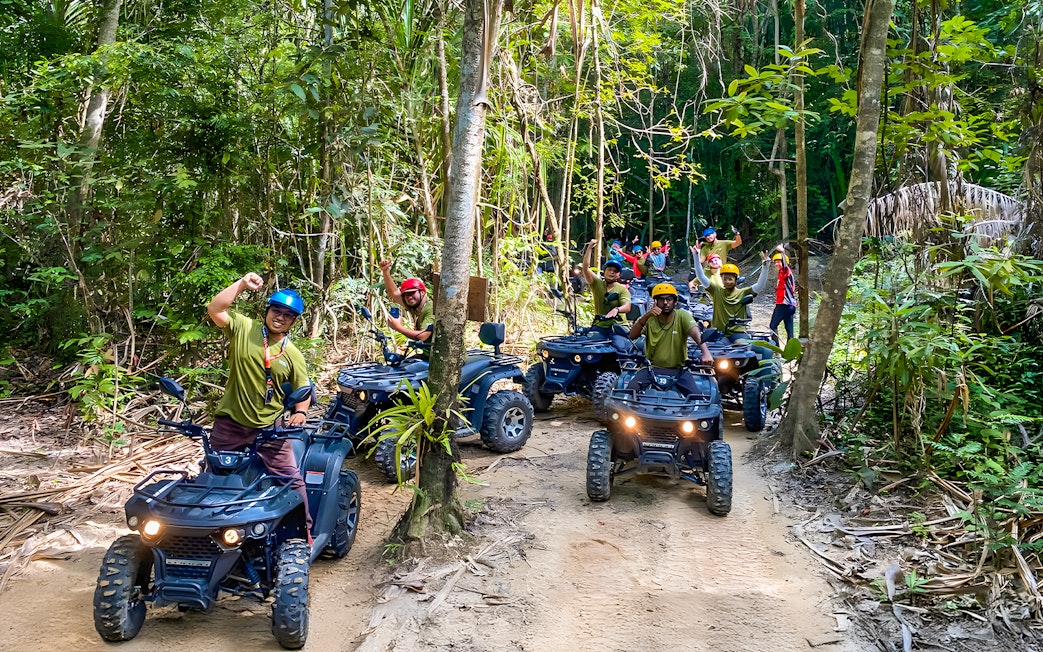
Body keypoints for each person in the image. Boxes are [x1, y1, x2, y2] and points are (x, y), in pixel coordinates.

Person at [206, 274, 314, 535]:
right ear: (267, 310)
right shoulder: (244, 328)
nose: (280, 316)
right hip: (230, 423)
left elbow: (304, 387)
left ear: (293, 322)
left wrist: (300, 412)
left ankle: (304, 532)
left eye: (288, 315)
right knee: (212, 477)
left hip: (270, 429)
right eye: (276, 310)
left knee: (290, 479)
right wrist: (241, 284)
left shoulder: (292, 354)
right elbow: (215, 308)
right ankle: (210, 533)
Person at [626, 283, 714, 395]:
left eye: (669, 299)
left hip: (678, 370)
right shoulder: (649, 319)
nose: (665, 303)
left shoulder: (682, 315)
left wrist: (705, 352)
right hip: (651, 368)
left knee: (697, 398)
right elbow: (632, 336)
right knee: (629, 392)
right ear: (655, 302)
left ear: (675, 301)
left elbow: (695, 332)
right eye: (661, 299)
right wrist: (646, 316)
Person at [692, 254, 772, 342]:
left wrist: (765, 268)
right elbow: (701, 277)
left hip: (738, 332)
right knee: (717, 347)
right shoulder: (716, 291)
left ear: (736, 279)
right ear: (721, 279)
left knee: (742, 345)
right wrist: (696, 255)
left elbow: (759, 286)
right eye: (725, 279)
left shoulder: (743, 292)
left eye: (730, 279)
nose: (727, 282)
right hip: (719, 332)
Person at [581, 239, 632, 350]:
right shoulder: (597, 283)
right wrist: (590, 247)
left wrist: (617, 310)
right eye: (609, 269)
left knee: (620, 348)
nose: (611, 272)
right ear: (604, 271)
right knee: (585, 345)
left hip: (618, 327)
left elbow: (627, 306)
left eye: (615, 271)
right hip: (600, 325)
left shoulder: (622, 289)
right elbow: (585, 267)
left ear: (618, 275)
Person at [378, 259, 434, 343]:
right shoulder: (416, 307)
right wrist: (385, 271)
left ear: (422, 293)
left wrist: (398, 327)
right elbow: (394, 294)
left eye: (412, 293)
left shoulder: (430, 308)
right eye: (405, 295)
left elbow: (423, 336)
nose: (409, 297)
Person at [769, 244, 797, 341]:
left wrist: (782, 252)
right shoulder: (782, 273)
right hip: (790, 305)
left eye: (779, 262)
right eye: (775, 262)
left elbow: (785, 265)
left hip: (784, 305)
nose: (777, 264)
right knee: (789, 330)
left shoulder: (786, 271)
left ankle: (775, 349)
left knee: (772, 326)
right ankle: (790, 352)